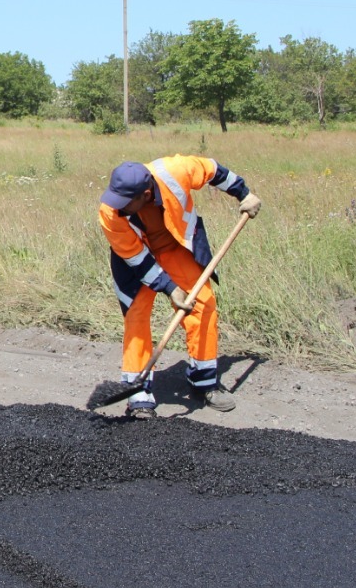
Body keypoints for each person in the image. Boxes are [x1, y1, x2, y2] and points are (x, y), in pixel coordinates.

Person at [97, 155, 261, 418]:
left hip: (176, 246)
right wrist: (170, 288)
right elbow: (137, 260)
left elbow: (213, 170)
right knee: (136, 315)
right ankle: (138, 393)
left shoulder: (176, 170)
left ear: (146, 194)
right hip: (139, 255)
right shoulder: (110, 211)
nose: (118, 206)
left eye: (125, 202)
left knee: (204, 304)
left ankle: (203, 381)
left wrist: (244, 194)